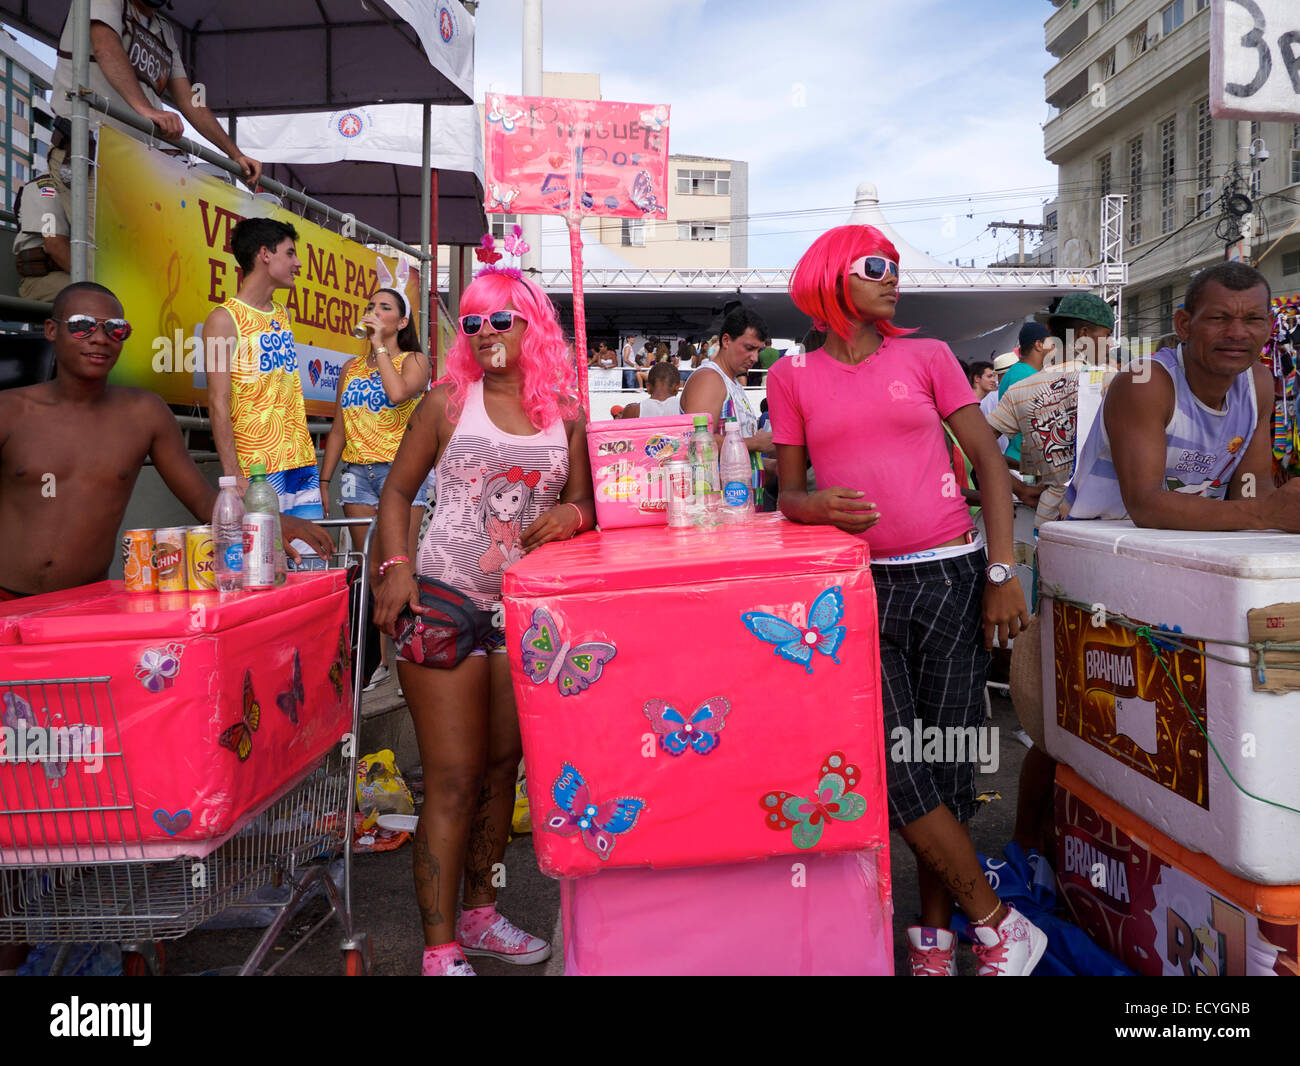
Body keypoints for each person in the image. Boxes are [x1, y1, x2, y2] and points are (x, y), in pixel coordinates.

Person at [767, 225, 1046, 977]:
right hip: (857, 590)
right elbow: (787, 493)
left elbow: (988, 460)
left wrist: (1000, 571)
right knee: (894, 766)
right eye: (875, 267)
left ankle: (935, 941)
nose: (894, 279)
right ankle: (997, 925)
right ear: (831, 279)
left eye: (894, 267)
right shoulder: (792, 379)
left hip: (951, 580)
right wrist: (818, 505)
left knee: (947, 765)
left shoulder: (926, 359)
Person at [372, 267, 595, 977]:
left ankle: (479, 913)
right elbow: (397, 491)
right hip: (442, 602)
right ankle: (439, 949)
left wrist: (572, 515)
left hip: (524, 614)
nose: (488, 334)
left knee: (505, 771)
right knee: (453, 779)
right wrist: (395, 568)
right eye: (473, 323)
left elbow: (587, 514)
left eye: (503, 319)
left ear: (534, 325)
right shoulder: (446, 403)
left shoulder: (566, 412)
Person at [0, 282, 331, 601]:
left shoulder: (144, 413)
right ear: (51, 330)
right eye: (82, 326)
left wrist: (270, 523)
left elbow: (204, 503)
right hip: (6, 600)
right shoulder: (10, 411)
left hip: (87, 603)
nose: (99, 338)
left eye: (115, 328)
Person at [1066, 262, 1300, 531]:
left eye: (1253, 319)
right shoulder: (1145, 383)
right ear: (1184, 325)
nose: (1237, 333)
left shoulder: (1257, 384)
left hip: (1190, 550)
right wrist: (1265, 514)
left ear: (1270, 326)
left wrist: (1283, 508)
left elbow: (1251, 487)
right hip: (1097, 547)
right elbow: (1145, 505)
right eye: (1218, 318)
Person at [50, 1, 262, 256]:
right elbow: (105, 47)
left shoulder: (163, 30)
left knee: (139, 260)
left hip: (134, 162)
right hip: (88, 151)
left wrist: (235, 154)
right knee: (105, 259)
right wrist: (146, 109)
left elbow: (188, 98)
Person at [321, 285, 431, 689]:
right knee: (371, 568)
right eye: (370, 306)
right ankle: (381, 661)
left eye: (384, 308)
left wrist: (379, 347)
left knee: (400, 564)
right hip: (357, 473)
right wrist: (325, 477)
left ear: (401, 322)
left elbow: (398, 392)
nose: (373, 312)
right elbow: (338, 427)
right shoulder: (350, 368)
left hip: (400, 473)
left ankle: (410, 657)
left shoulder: (414, 360)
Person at [205, 218, 324, 543]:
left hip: (300, 461)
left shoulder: (281, 313)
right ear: (265, 254)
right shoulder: (222, 320)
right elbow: (218, 401)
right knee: (267, 566)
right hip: (259, 471)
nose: (298, 263)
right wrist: (233, 473)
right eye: (290, 253)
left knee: (310, 564)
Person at [680, 306, 774, 469]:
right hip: (715, 492)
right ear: (726, 341)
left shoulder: (731, 382)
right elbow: (698, 443)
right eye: (749, 348)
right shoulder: (709, 379)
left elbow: (734, 458)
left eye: (759, 350)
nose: (755, 358)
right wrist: (756, 443)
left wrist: (770, 467)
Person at [998, 322, 1053, 466]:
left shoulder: (1017, 372)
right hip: (1025, 462)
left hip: (1021, 459)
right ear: (1039, 345)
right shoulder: (1026, 376)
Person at [12, 172, 70, 304]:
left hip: (73, 276)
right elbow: (54, 245)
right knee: (104, 295)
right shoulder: (47, 185)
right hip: (43, 279)